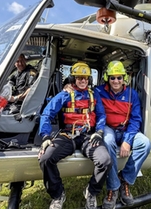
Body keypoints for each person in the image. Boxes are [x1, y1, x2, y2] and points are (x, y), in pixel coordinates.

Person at [38, 62, 112, 209]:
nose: (83, 81)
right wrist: (46, 136)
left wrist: (99, 132)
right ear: (73, 79)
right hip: (68, 135)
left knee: (105, 160)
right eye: (79, 78)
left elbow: (101, 114)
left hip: (88, 136)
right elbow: (47, 114)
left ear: (89, 79)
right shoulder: (64, 94)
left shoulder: (94, 94)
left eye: (85, 78)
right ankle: (58, 195)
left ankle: (91, 191)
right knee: (46, 158)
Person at [95, 61, 151, 209]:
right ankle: (113, 187)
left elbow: (136, 119)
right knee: (108, 142)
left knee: (145, 144)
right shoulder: (99, 91)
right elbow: (90, 102)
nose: (116, 81)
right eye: (112, 78)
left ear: (124, 78)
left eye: (119, 78)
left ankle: (125, 179)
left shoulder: (132, 94)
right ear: (107, 78)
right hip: (108, 127)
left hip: (126, 129)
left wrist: (127, 141)